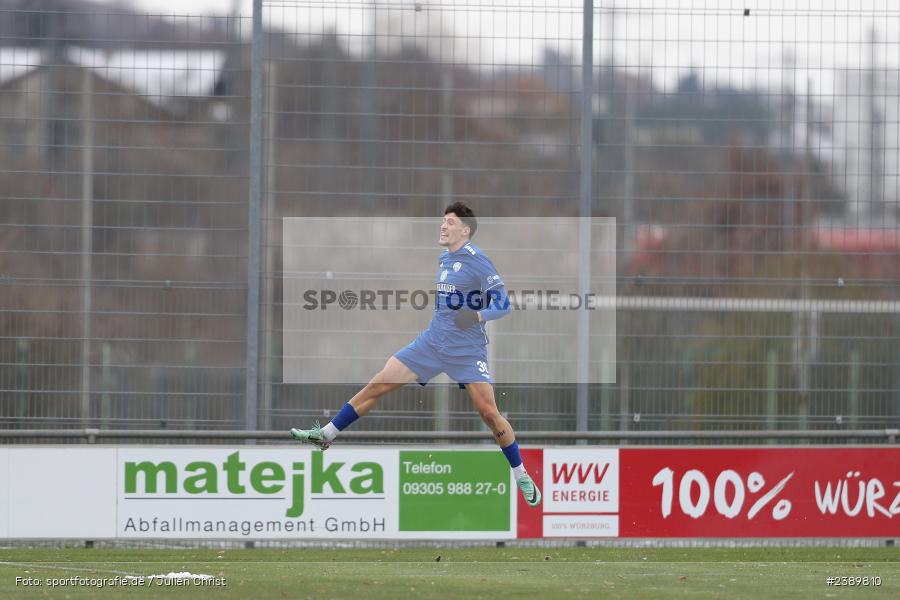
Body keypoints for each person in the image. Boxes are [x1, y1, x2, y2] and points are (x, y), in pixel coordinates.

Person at [290, 201, 541, 507]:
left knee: (489, 413)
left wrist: (476, 317)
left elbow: (504, 304)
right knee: (380, 382)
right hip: (432, 343)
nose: (443, 226)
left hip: (467, 349)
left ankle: (520, 473)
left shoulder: (478, 260)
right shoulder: (444, 259)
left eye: (449, 222)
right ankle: (327, 434)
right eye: (443, 221)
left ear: (464, 230)